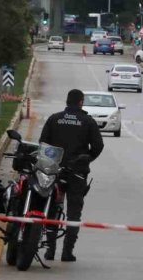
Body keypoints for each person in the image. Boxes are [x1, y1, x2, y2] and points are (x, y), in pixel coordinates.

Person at [39, 89, 104, 262]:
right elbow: (98, 145)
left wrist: (52, 162)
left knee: (52, 209)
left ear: (67, 102)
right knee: (74, 213)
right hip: (77, 174)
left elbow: (43, 143)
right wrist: (87, 159)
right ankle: (67, 252)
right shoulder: (87, 121)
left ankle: (50, 250)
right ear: (81, 102)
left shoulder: (54, 118)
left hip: (54, 172)